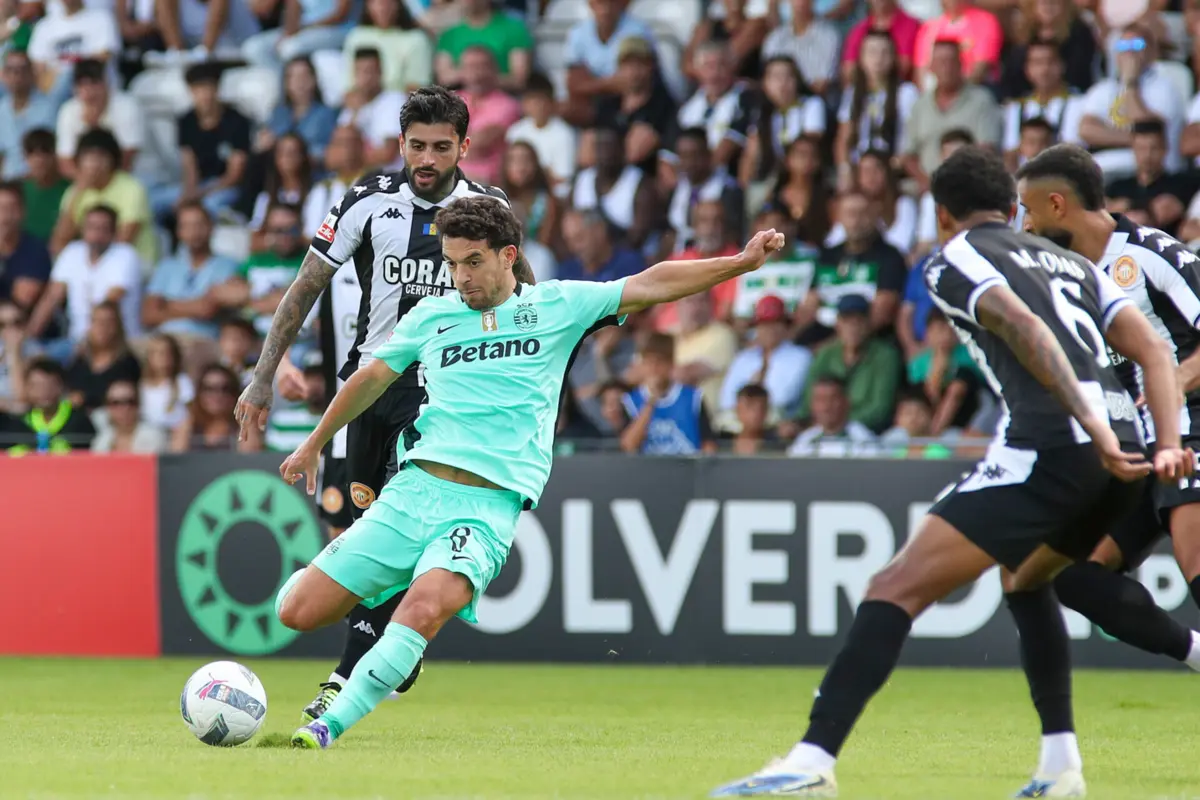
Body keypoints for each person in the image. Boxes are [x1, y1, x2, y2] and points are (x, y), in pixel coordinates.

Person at [712, 145, 1193, 798]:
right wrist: (1162, 440)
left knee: (894, 586)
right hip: (1126, 456)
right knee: (1028, 582)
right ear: (1006, 202)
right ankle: (1060, 768)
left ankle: (811, 761)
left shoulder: (956, 257)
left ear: (941, 215)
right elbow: (1155, 353)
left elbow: (1023, 325)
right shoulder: (1075, 264)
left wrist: (1091, 424)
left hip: (1053, 449)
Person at [273, 195, 787, 749]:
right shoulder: (431, 318)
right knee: (295, 611)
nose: (459, 277)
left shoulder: (557, 306)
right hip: (411, 492)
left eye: (472, 262)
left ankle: (326, 727)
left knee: (424, 609)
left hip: (485, 508)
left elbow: (651, 282)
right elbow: (369, 379)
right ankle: (389, 598)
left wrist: (737, 263)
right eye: (451, 263)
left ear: (506, 255)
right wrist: (314, 444)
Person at [234, 86, 532, 724]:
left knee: (402, 526)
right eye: (417, 145)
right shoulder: (367, 201)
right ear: (401, 143)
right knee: (353, 540)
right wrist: (262, 378)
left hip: (442, 393)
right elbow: (304, 289)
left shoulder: (486, 208)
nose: (427, 158)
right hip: (369, 385)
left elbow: (523, 293)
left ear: (464, 148)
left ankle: (344, 682)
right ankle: (388, 647)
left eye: (441, 147)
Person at [1013, 143, 1200, 787]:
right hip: (1130, 447)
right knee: (1071, 573)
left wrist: (1171, 379)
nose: (1025, 223)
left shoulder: (1148, 255)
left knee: (1193, 547)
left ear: (1058, 202)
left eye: (1029, 210)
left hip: (1192, 424)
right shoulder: (1059, 277)